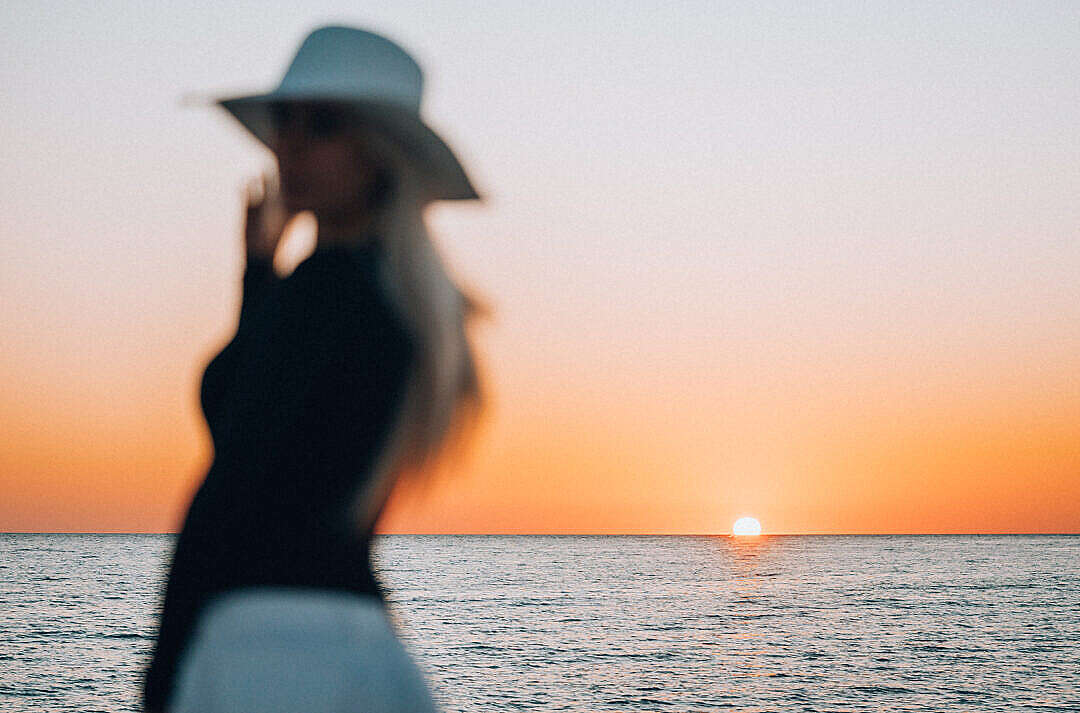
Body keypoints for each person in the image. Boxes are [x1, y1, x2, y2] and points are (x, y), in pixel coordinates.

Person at [141, 25, 490, 713]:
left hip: (268, 654)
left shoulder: (328, 291)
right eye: (284, 121)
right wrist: (259, 270)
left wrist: (164, 676)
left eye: (321, 124)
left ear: (377, 155)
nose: (290, 143)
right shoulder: (383, 300)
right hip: (348, 642)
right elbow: (273, 427)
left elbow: (231, 494)